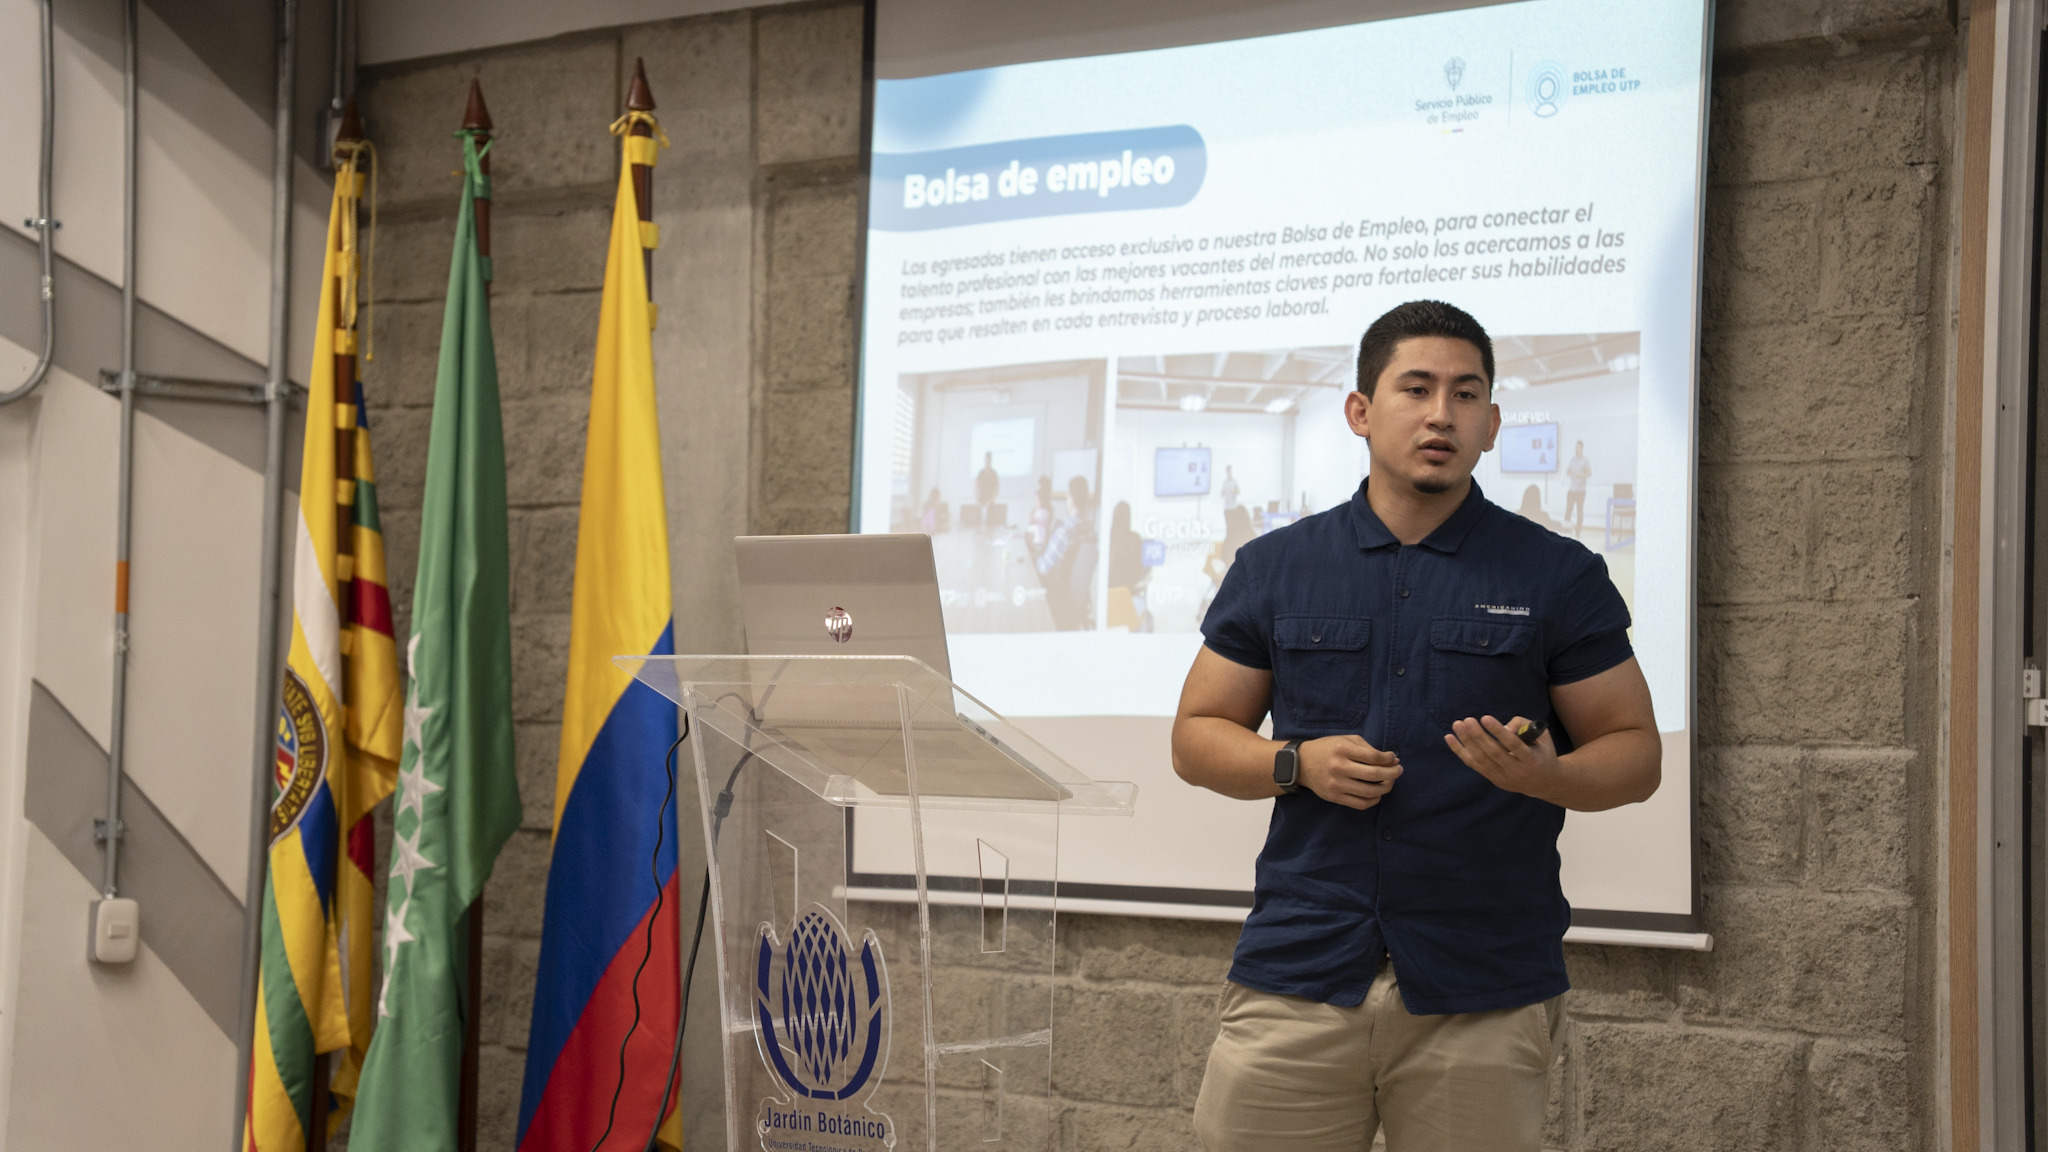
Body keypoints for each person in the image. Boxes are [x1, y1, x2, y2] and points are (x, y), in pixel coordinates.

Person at [1175, 300, 1660, 1152]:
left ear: (1492, 424)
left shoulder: (1557, 576)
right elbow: (1197, 734)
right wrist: (1295, 763)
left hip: (1482, 988)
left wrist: (1547, 776)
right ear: (1361, 411)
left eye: (1466, 394)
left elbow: (1635, 754)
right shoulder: (1276, 567)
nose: (1442, 414)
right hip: (1299, 974)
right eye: (1417, 388)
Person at [1036, 475, 1097, 630]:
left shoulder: (1065, 532)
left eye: (1068, 495)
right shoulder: (1090, 529)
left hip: (1058, 591)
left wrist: (1035, 556)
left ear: (1072, 499)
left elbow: (1043, 568)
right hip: (1075, 595)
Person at [1565, 440, 1591, 535]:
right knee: (1568, 510)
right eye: (1575, 447)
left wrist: (1580, 475)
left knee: (1579, 511)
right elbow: (1568, 471)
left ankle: (1578, 531)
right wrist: (1570, 473)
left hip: (1581, 491)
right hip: (1572, 490)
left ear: (1582, 448)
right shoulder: (1572, 460)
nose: (1576, 449)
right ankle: (1566, 529)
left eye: (1578, 447)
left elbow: (1588, 474)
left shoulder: (1585, 460)